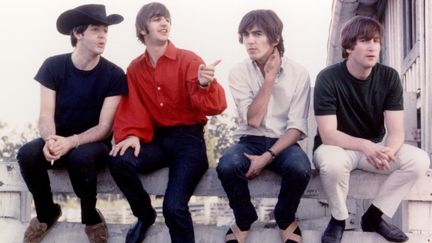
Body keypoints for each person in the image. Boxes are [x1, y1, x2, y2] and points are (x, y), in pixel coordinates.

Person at [108, 2, 227, 243]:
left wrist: (204, 84)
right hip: (157, 139)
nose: (164, 23)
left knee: (173, 207)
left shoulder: (189, 60)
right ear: (143, 29)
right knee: (119, 160)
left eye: (167, 19)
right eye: (156, 19)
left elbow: (216, 106)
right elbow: (133, 106)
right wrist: (131, 134)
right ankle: (144, 215)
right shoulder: (135, 68)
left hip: (189, 140)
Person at [313, 16, 430, 243]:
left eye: (376, 40)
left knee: (419, 160)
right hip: (336, 148)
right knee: (332, 164)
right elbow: (328, 134)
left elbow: (396, 131)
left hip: (374, 149)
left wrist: (388, 151)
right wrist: (366, 146)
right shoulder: (328, 78)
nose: (372, 46)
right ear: (348, 47)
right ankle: (338, 219)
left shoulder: (389, 77)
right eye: (365, 40)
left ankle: (374, 216)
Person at [16, 4, 126, 243]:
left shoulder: (114, 75)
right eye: (96, 30)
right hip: (58, 136)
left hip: (93, 144)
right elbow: (45, 115)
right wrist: (50, 140)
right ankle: (46, 212)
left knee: (80, 157)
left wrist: (72, 142)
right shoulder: (53, 66)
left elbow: (104, 127)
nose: (103, 36)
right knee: (26, 154)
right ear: (78, 33)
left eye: (105, 31)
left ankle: (90, 217)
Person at [216, 9, 312, 243]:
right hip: (251, 139)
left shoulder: (299, 73)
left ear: (275, 39)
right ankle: (244, 217)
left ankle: (285, 216)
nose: (250, 40)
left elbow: (296, 128)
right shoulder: (238, 72)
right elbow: (253, 120)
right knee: (227, 165)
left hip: (285, 142)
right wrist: (269, 79)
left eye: (258, 34)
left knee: (300, 169)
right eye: (246, 35)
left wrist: (267, 157)